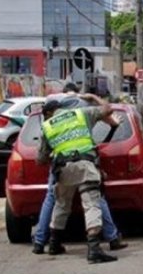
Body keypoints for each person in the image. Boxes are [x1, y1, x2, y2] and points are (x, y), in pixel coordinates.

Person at [37, 94, 120, 264]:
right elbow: (109, 109)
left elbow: (40, 159)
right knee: (91, 205)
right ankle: (94, 249)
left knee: (61, 204)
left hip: (63, 169)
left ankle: (54, 243)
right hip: (85, 165)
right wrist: (94, 98)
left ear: (50, 113)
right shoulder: (81, 113)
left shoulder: (47, 126)